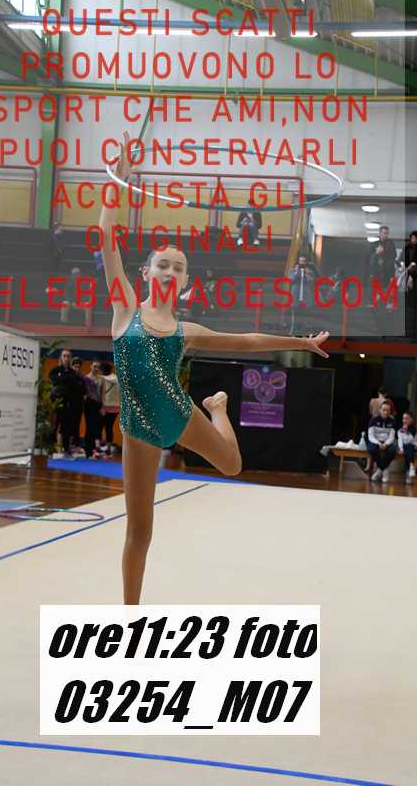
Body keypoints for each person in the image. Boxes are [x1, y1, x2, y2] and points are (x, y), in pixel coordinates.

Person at [100, 132, 330, 604]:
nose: (169, 272)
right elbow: (106, 237)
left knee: (232, 464)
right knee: (139, 531)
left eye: (178, 268)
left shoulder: (186, 330)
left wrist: (300, 341)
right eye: (162, 265)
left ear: (186, 281)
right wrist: (118, 182)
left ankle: (218, 408)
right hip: (138, 428)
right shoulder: (125, 310)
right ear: (145, 273)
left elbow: (247, 340)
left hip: (178, 413)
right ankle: (128, 617)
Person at [49, 349, 82, 457]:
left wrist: (65, 381)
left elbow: (74, 387)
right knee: (54, 426)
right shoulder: (55, 370)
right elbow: (56, 383)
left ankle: (66, 450)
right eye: (64, 356)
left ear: (70, 358)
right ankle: (50, 448)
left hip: (68, 403)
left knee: (66, 427)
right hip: (57, 402)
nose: (66, 358)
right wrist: (65, 382)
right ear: (61, 357)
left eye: (68, 356)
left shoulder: (73, 373)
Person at [367, 400, 397, 483]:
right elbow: (370, 436)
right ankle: (384, 469)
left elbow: (391, 437)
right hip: (375, 441)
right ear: (380, 410)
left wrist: (386, 444)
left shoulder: (392, 421)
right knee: (372, 449)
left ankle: (380, 470)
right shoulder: (373, 420)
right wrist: (378, 443)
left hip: (387, 442)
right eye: (384, 410)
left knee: (393, 450)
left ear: (390, 411)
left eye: (388, 410)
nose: (385, 412)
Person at [289, 255, 319, 335]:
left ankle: (304, 330)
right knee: (294, 313)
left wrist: (307, 273)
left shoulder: (310, 271)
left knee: (305, 313)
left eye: (304, 261)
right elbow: (291, 280)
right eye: (301, 261)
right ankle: (293, 329)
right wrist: (296, 272)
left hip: (306, 296)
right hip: (296, 295)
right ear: (298, 262)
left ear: (306, 262)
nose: (302, 263)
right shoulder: (293, 270)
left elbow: (311, 281)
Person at [83, 360, 104, 458]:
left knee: (96, 428)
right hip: (89, 404)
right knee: (89, 427)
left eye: (98, 367)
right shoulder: (86, 378)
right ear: (90, 366)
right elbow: (85, 393)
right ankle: (88, 450)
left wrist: (103, 406)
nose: (96, 368)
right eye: (94, 366)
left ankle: (93, 449)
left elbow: (102, 393)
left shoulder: (101, 379)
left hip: (98, 404)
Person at [99, 361, 120, 457]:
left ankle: (98, 447)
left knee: (99, 427)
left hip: (104, 406)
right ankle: (108, 448)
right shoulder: (117, 379)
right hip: (115, 407)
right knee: (109, 428)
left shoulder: (101, 378)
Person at [69, 357, 86, 455]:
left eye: (78, 367)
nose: (77, 369)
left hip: (79, 405)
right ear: (72, 367)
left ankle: (75, 445)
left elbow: (84, 392)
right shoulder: (68, 377)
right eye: (75, 367)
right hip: (69, 405)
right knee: (68, 426)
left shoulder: (82, 379)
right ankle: (67, 445)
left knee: (76, 426)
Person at [397, 411, 417, 483]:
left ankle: (411, 467)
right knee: (406, 452)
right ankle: (409, 470)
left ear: (411, 420)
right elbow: (400, 440)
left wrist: (406, 432)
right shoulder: (400, 430)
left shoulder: (413, 429)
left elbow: (410, 440)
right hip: (405, 448)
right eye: (403, 418)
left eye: (407, 418)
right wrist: (401, 449)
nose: (405, 420)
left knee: (409, 446)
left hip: (414, 446)